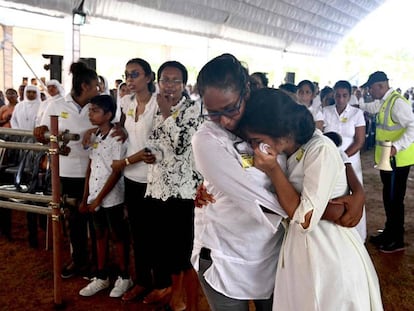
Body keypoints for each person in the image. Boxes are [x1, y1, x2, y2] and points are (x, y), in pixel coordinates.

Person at [191, 54, 365, 311]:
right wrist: (328, 211)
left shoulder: (266, 113)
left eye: (230, 109)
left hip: (275, 254)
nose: (225, 121)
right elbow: (260, 200)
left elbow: (315, 139)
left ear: (246, 93)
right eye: (213, 113)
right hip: (227, 254)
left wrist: (357, 189)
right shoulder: (207, 139)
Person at [238, 88, 383, 311]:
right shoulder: (293, 146)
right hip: (301, 248)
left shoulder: (318, 148)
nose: (256, 148)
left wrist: (273, 170)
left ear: (282, 133)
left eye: (258, 140)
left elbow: (305, 219)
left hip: (327, 252)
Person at [144, 61, 203, 311]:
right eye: (165, 80)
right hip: (158, 187)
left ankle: (187, 301)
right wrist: (152, 154)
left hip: (183, 190)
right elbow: (158, 141)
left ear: (184, 84)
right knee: (164, 247)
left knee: (183, 251)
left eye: (175, 81)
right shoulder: (156, 108)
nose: (169, 86)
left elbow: (181, 145)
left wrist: (167, 112)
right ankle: (173, 293)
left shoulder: (194, 110)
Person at [110, 58, 171, 302]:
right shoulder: (126, 102)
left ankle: (163, 284)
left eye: (135, 74)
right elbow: (123, 129)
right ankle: (143, 280)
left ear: (149, 77)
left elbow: (155, 149)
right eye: (127, 75)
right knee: (138, 233)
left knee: (158, 234)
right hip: (133, 179)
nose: (129, 80)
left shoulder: (161, 104)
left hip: (155, 178)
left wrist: (124, 162)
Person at [34, 61, 100, 277]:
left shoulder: (98, 105)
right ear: (84, 87)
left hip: (96, 171)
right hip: (67, 171)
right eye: (95, 86)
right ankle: (79, 261)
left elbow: (113, 126)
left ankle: (99, 267)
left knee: (97, 220)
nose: (98, 90)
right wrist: (50, 141)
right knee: (75, 220)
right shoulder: (56, 105)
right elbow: (43, 132)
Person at [78, 95, 132, 298]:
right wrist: (86, 198)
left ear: (109, 114)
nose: (91, 114)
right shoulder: (95, 136)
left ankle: (125, 277)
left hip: (112, 197)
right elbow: (91, 168)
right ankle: (102, 276)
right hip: (94, 196)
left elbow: (116, 171)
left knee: (118, 237)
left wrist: (99, 199)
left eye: (95, 111)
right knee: (99, 236)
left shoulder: (117, 137)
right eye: (90, 110)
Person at [359, 71, 414, 253]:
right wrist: (357, 103)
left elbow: (413, 127)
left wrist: (396, 147)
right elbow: (373, 108)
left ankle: (396, 239)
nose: (369, 91)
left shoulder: (397, 103)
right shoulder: (385, 102)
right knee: (388, 197)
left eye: (371, 88)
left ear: (381, 86)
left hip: (398, 158)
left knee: (395, 199)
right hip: (387, 157)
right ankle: (389, 231)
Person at [323, 80, 367, 241]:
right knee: (334, 194)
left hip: (350, 161)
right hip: (329, 159)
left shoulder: (357, 114)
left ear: (350, 96)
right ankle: (335, 236)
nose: (340, 99)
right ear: (333, 94)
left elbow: (359, 141)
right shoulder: (326, 111)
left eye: (344, 96)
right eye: (337, 95)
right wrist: (332, 157)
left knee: (354, 195)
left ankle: (357, 236)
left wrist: (343, 158)